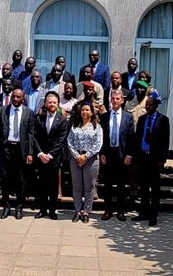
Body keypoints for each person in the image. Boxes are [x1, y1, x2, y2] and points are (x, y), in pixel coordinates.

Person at [131, 97, 170, 226]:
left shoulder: (163, 120)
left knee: (154, 188)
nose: (148, 107)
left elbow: (165, 141)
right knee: (143, 187)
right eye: (147, 105)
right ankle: (144, 212)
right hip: (143, 157)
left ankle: (153, 215)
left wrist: (162, 159)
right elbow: (137, 138)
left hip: (154, 159)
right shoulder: (142, 119)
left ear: (156, 106)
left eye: (151, 105)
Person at [0, 89, 35, 220]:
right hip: (6, 147)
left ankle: (19, 208)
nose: (15, 99)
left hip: (21, 149)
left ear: (23, 99)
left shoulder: (29, 113)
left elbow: (31, 134)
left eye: (18, 97)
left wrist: (30, 153)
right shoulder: (3, 110)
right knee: (5, 178)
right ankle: (6, 207)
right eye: (14, 97)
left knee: (21, 179)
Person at [32, 91, 69, 220]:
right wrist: (41, 153)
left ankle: (52, 210)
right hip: (41, 157)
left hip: (54, 159)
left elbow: (61, 140)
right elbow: (34, 137)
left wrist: (50, 155)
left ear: (58, 104)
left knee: (53, 185)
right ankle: (42, 209)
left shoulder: (63, 121)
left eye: (54, 102)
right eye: (50, 102)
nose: (52, 104)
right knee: (42, 185)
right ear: (46, 103)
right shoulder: (38, 118)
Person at [100, 90, 135, 221]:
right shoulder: (104, 117)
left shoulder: (128, 117)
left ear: (122, 100)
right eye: (113, 98)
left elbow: (131, 138)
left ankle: (121, 211)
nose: (115, 101)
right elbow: (101, 137)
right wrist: (101, 153)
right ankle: (108, 210)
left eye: (117, 99)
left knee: (121, 185)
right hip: (108, 154)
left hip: (122, 155)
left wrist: (129, 155)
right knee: (107, 184)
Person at [67, 101, 103, 223]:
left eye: (87, 110)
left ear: (92, 112)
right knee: (77, 186)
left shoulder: (97, 127)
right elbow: (69, 141)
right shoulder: (75, 126)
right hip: (76, 159)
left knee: (89, 187)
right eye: (83, 110)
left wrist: (86, 157)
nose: (85, 112)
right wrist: (78, 156)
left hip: (91, 159)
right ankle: (77, 211)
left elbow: (98, 144)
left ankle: (87, 211)